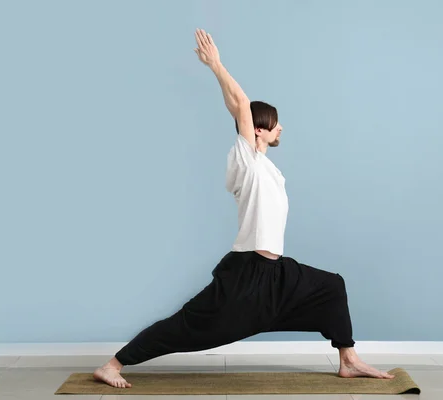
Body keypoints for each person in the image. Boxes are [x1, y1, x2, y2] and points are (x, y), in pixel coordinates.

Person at [93, 28, 394, 388]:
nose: (281, 127)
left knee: (331, 286)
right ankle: (113, 364)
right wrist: (216, 66)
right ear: (259, 131)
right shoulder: (246, 158)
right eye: (274, 123)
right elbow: (240, 104)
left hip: (275, 272)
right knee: (189, 325)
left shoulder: (267, 167)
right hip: (247, 272)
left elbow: (240, 109)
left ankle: (349, 360)